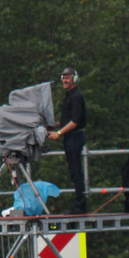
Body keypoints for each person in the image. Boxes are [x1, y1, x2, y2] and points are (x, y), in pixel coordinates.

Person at [48, 67, 87, 214]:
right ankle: (79, 205)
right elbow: (69, 120)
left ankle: (80, 207)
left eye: (68, 77)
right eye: (63, 78)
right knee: (74, 172)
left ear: (75, 79)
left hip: (74, 137)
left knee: (76, 173)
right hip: (70, 137)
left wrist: (58, 133)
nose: (65, 80)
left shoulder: (76, 96)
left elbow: (76, 121)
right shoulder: (70, 96)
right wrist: (55, 126)